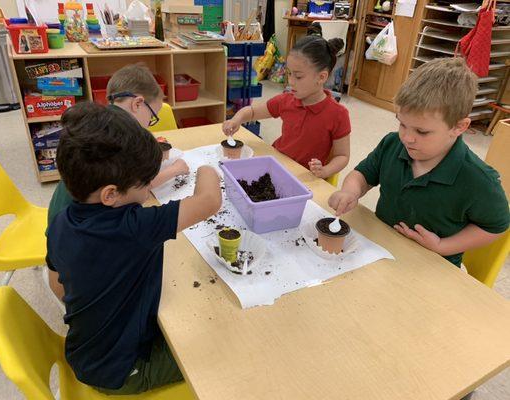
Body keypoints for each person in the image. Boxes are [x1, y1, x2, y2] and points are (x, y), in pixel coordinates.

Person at [46, 102, 222, 394]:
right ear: (110, 194)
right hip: (122, 372)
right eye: (144, 183)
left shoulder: (61, 221)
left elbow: (58, 287)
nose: (148, 189)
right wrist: (207, 165)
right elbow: (209, 201)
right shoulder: (132, 228)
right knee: (216, 348)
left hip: (87, 352)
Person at [328, 57, 509, 268]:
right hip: (381, 249)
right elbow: (363, 175)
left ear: (459, 127)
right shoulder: (392, 144)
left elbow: (495, 226)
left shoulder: (479, 179)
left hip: (432, 265)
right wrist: (350, 191)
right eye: (402, 124)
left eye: (421, 131)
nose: (407, 137)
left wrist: (442, 245)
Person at [46, 64, 189, 299]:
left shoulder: (100, 126)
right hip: (81, 266)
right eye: (152, 118)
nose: (149, 126)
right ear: (137, 104)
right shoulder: (117, 147)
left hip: (63, 244)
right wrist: (173, 170)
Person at [222, 35, 351, 180]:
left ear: (321, 77)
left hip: (303, 176)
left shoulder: (338, 114)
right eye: (289, 73)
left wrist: (326, 171)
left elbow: (342, 156)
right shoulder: (287, 100)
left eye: (298, 76)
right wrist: (236, 119)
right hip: (277, 162)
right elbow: (252, 112)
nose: (291, 81)